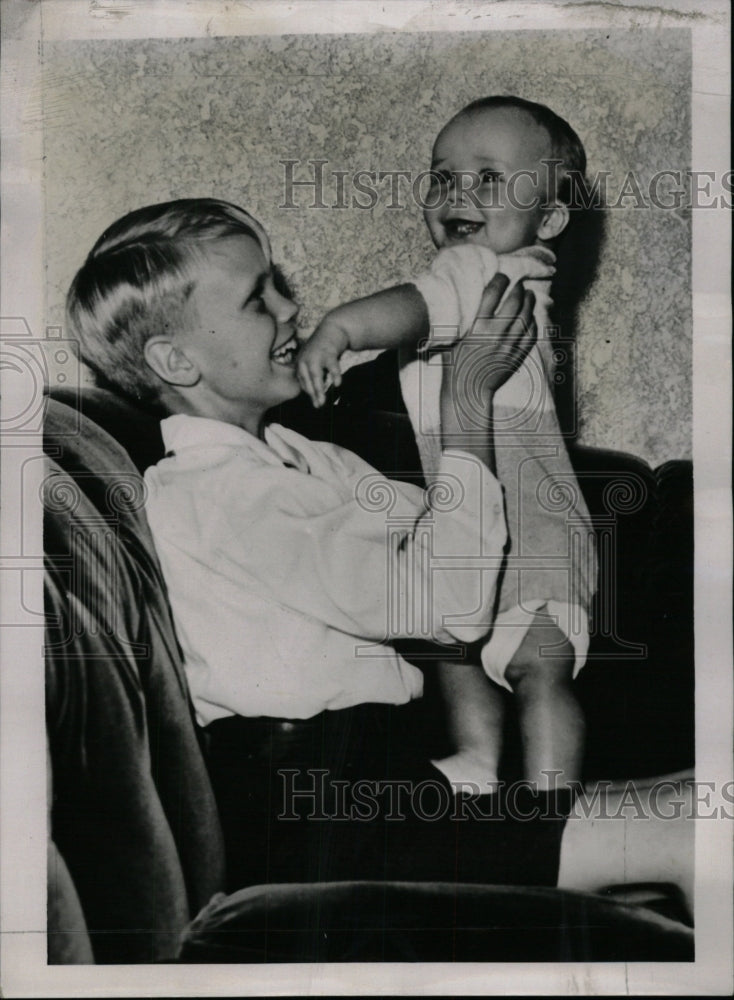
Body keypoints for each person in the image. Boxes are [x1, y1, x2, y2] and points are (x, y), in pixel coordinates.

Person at [65, 196, 559, 892]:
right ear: (175, 359)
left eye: (279, 284)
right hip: (312, 812)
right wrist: (465, 407)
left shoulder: (305, 457)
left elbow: (454, 549)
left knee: (688, 808)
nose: (291, 308)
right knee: (679, 827)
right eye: (255, 298)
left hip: (389, 778)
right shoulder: (214, 493)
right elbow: (450, 601)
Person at [296, 96, 598, 795]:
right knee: (449, 639)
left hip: (533, 525)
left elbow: (411, 307)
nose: (457, 192)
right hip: (479, 507)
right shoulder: (493, 275)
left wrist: (339, 328)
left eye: (488, 178)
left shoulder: (485, 274)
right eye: (441, 176)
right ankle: (480, 762)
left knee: (535, 665)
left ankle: (551, 803)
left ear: (548, 219)